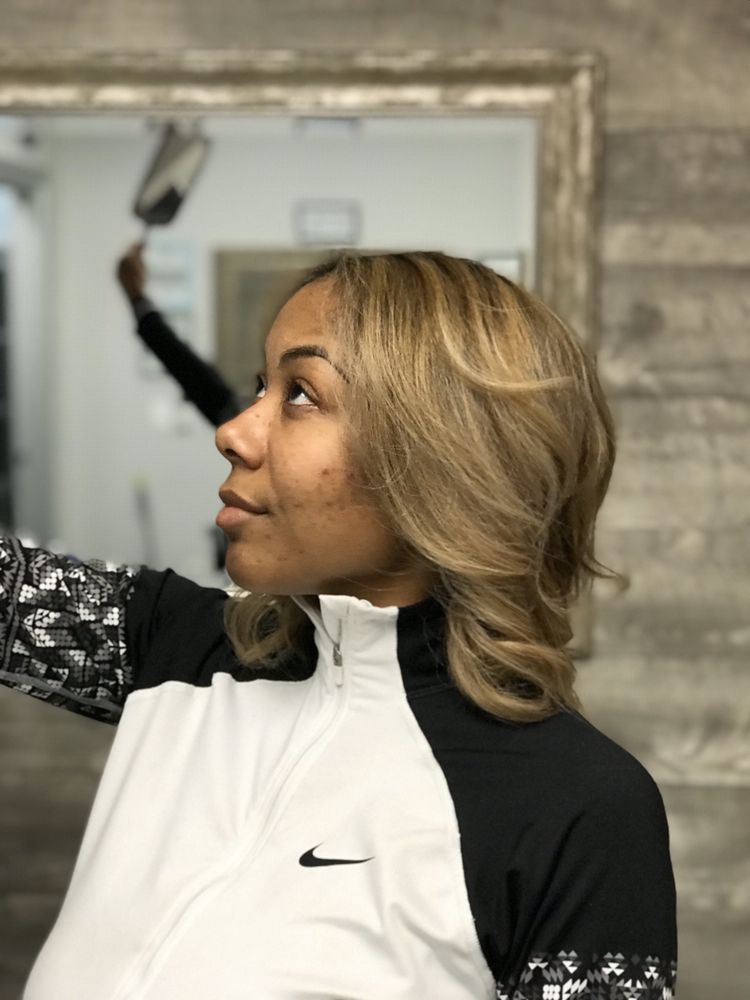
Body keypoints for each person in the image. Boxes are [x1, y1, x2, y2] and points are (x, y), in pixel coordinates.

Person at [1, 251, 677, 999]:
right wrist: (143, 312)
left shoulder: (578, 809)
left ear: (444, 457)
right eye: (263, 386)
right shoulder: (175, 646)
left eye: (300, 393)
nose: (233, 430)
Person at [116, 241, 242, 426]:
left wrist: (137, 298)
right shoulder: (248, 424)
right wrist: (137, 298)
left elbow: (213, 396)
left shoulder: (252, 426)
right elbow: (210, 393)